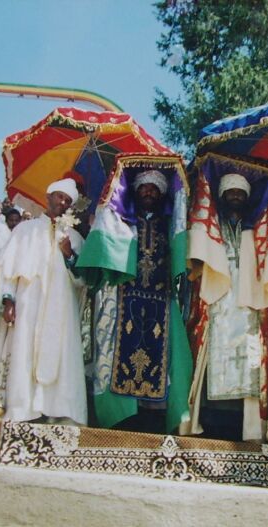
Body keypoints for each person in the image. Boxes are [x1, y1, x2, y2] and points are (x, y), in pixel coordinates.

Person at [77, 167, 193, 433]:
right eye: (144, 187)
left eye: (154, 188)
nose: (148, 192)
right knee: (119, 356)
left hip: (159, 300)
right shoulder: (121, 222)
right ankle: (124, 418)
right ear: (136, 191)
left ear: (161, 192)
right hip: (125, 298)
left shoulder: (170, 224)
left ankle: (153, 420)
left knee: (164, 360)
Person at [0, 179, 87, 424]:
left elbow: (82, 281)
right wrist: (8, 300)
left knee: (60, 354)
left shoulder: (74, 237)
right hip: (28, 303)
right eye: (59, 197)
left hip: (61, 309)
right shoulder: (25, 230)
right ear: (48, 197)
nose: (62, 202)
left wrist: (69, 255)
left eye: (67, 200)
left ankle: (55, 410)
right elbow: (8, 270)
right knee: (22, 351)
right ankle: (21, 409)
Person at [187, 170, 268, 441]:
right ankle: (209, 426)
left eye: (240, 193)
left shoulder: (257, 230)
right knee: (212, 364)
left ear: (246, 198)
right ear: (221, 196)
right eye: (230, 192)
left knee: (250, 364)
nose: (235, 196)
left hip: (249, 307)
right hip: (217, 306)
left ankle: (248, 429)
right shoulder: (212, 227)